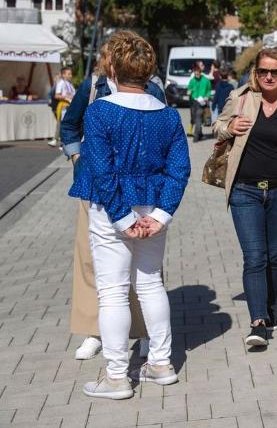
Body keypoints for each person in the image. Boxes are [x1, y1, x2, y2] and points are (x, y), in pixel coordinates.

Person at [68, 30, 190, 399]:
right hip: (151, 208)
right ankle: (160, 363)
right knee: (151, 284)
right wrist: (161, 214)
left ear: (113, 70)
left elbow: (102, 172)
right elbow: (178, 170)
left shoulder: (100, 110)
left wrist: (123, 218)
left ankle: (118, 375)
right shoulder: (168, 116)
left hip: (112, 211)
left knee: (113, 293)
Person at [61, 34, 167, 362]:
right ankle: (96, 331)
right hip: (95, 190)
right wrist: (80, 159)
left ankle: (144, 334)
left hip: (142, 192)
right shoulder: (92, 86)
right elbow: (69, 126)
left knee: (145, 273)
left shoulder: (153, 88)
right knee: (94, 265)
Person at [213, 49, 277, 346]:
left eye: (275, 72)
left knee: (275, 257)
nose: (268, 77)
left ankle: (267, 307)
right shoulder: (241, 97)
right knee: (255, 257)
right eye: (263, 72)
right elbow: (217, 126)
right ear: (255, 74)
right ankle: (258, 321)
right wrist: (229, 127)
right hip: (244, 191)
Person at [48, 66, 76, 147]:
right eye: (69, 74)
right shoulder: (61, 83)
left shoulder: (70, 84)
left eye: (71, 74)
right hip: (63, 105)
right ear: (63, 75)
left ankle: (61, 141)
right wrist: (66, 97)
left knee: (67, 124)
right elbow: (56, 95)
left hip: (69, 105)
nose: (70, 75)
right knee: (63, 124)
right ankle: (61, 142)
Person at [187, 65, 212, 142]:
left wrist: (207, 96)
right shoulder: (192, 81)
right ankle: (200, 133)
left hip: (202, 103)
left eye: (198, 74)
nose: (196, 76)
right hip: (193, 102)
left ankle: (196, 136)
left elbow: (209, 90)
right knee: (194, 119)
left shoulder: (206, 80)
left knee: (198, 118)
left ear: (201, 73)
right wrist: (189, 92)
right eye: (195, 74)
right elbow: (189, 90)